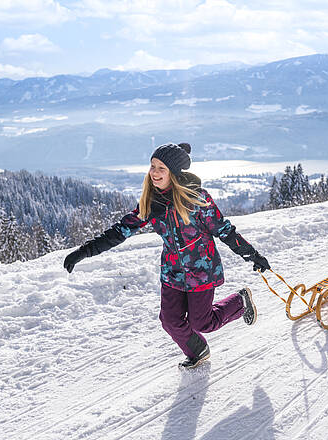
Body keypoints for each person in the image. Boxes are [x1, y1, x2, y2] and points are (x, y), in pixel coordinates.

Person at [63, 142, 271, 369]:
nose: (154, 172)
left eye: (161, 168)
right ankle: (197, 350)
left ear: (173, 172)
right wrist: (84, 251)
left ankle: (240, 302)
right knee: (170, 321)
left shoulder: (197, 199)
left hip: (202, 270)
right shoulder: (151, 203)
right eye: (153, 166)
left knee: (202, 322)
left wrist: (252, 255)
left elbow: (224, 230)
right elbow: (119, 231)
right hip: (172, 272)